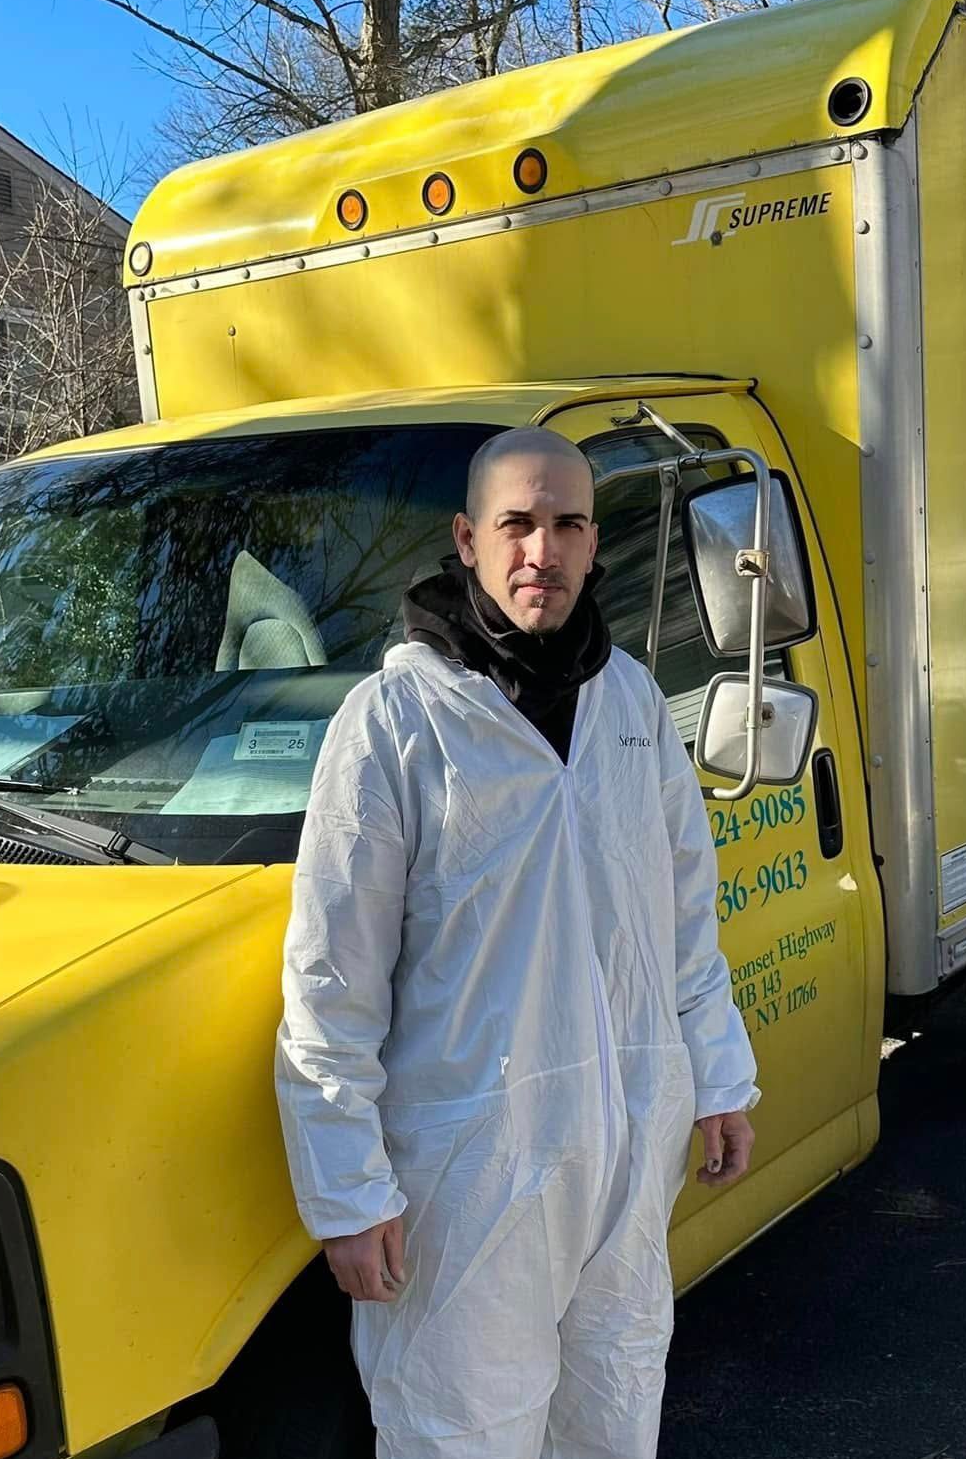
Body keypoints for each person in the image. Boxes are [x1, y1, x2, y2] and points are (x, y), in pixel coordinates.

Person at [275, 428, 759, 1459]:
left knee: (613, 1413)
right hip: (466, 1182)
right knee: (460, 1436)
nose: (542, 548)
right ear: (466, 539)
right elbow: (330, 979)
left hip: (623, 1154)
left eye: (567, 523)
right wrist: (347, 1190)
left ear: (593, 543)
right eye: (516, 523)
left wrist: (716, 1073)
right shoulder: (395, 722)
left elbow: (679, 912)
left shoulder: (627, 700)